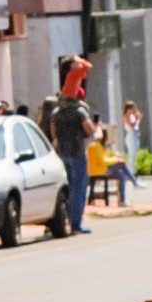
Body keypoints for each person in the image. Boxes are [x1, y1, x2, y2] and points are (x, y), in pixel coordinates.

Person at [51, 83, 95, 234]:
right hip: (77, 152)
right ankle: (76, 223)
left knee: (67, 188)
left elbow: (53, 133)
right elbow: (90, 129)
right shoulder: (79, 111)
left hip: (62, 153)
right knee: (78, 189)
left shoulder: (56, 112)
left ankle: (66, 220)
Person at [122, 100, 142, 177]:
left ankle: (133, 171)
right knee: (131, 155)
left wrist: (137, 118)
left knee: (134, 155)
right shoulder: (125, 117)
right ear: (128, 109)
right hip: (130, 137)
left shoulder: (132, 117)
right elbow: (132, 127)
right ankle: (130, 172)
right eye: (133, 108)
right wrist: (138, 119)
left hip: (135, 136)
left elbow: (136, 127)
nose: (134, 110)